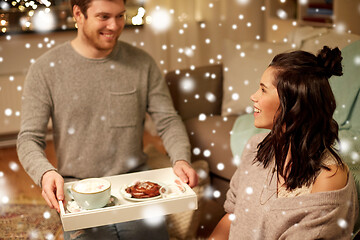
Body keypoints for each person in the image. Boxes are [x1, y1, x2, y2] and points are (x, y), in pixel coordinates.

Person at [16, 0, 198, 239]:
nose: (114, 26)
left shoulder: (143, 63)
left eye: (120, 16)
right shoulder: (44, 69)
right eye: (103, 17)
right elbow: (29, 138)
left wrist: (181, 158)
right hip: (78, 189)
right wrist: (45, 173)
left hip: (133, 184)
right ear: (78, 14)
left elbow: (168, 120)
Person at [209, 46, 359, 239]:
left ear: (293, 104)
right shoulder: (256, 147)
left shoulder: (328, 178)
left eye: (263, 90)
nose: (253, 96)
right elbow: (232, 216)